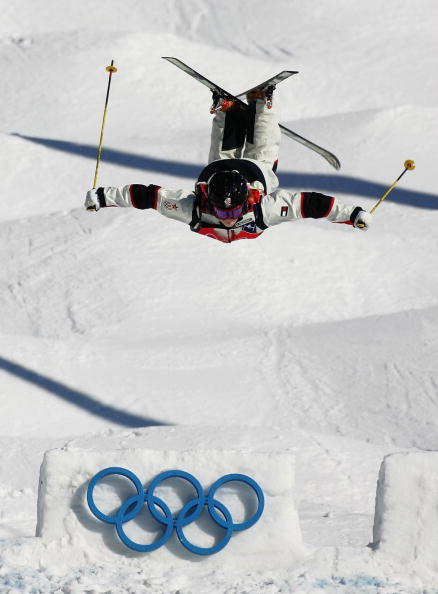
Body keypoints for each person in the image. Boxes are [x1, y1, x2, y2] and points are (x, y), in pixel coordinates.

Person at [85, 90, 372, 243]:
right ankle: (262, 106)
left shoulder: (197, 210)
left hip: (240, 174)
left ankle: (230, 112)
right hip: (242, 174)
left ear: (243, 203)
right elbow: (309, 205)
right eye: (224, 212)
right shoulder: (248, 210)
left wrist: (351, 214)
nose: (227, 218)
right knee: (261, 151)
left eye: (231, 212)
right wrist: (354, 215)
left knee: (237, 156)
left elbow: (148, 197)